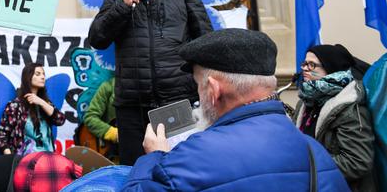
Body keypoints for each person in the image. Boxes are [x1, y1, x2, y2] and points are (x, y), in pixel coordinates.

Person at [122, 28, 350, 191]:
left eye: (198, 85)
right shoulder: (314, 151)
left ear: (213, 89)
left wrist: (154, 157)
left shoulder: (192, 158)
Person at [88, 0, 212, 165]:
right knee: (136, 170)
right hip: (132, 108)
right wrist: (122, 7)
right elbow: (97, 39)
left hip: (178, 102)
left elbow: (206, 45)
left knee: (182, 166)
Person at [293, 44, 377, 191]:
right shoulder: (305, 100)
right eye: (304, 63)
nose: (304, 68)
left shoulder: (349, 106)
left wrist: (307, 168)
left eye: (312, 65)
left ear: (330, 68)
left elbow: (357, 161)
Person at [0, 63, 65, 155]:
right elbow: (1, 135)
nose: (43, 77)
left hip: (48, 159)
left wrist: (41, 102)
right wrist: (11, 159)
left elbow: (60, 120)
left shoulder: (46, 104)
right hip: (25, 161)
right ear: (28, 77)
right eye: (38, 74)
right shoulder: (16, 105)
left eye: (43, 74)